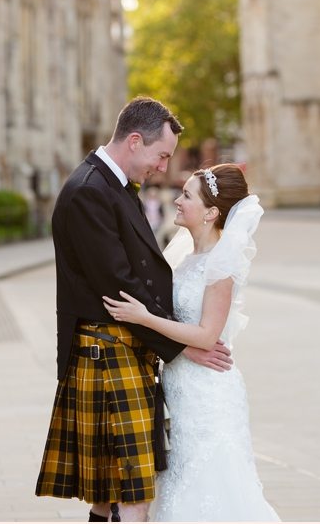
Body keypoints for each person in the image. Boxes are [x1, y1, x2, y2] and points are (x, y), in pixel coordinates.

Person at [35, 97, 233, 522]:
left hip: (121, 351)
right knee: (133, 494)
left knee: (109, 493)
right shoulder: (89, 191)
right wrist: (184, 346)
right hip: (108, 353)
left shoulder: (111, 185)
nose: (162, 167)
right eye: (162, 155)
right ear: (136, 141)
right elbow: (119, 286)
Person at [103, 164, 279, 521]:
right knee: (181, 483)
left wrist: (143, 318)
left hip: (209, 393)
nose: (177, 201)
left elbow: (207, 335)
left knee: (213, 485)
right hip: (180, 387)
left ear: (212, 212)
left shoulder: (220, 263)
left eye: (187, 195)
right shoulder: (185, 259)